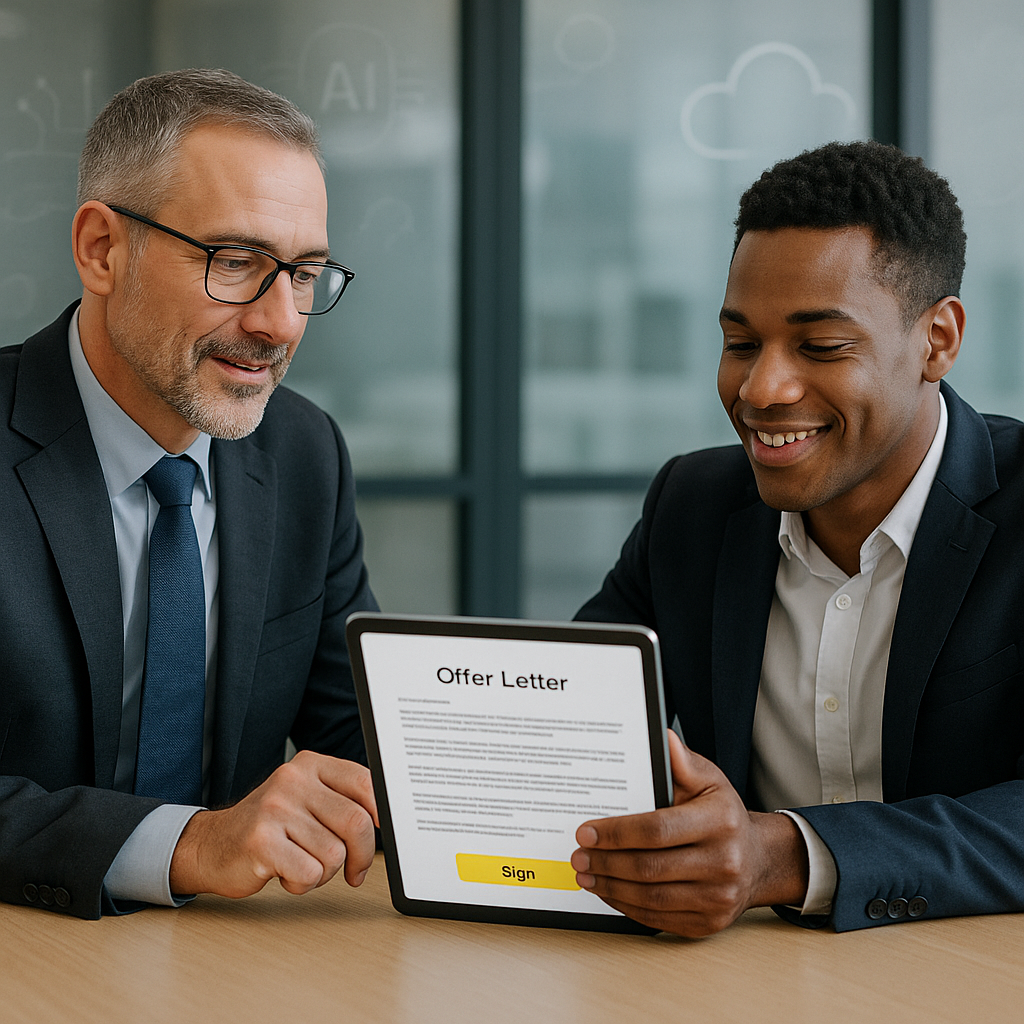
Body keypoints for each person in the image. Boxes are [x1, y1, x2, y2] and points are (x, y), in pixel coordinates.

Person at [572, 140, 1024, 934]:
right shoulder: (694, 505)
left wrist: (784, 855)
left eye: (821, 347)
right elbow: (570, 723)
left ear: (938, 340)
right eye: (740, 343)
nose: (760, 389)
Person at [0, 69, 380, 919]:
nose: (281, 322)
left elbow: (359, 740)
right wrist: (189, 843)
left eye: (306, 273)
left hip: (227, 967)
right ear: (102, 249)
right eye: (237, 262)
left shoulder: (303, 453)